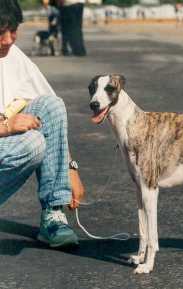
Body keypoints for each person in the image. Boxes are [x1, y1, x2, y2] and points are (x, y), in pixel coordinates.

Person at [0, 0, 85, 247]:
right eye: (0, 32)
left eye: (13, 30)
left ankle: (53, 215)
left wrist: (70, 168)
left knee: (51, 106)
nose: (8, 39)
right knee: (31, 143)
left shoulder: (13, 56)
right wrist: (6, 126)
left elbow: (52, 116)